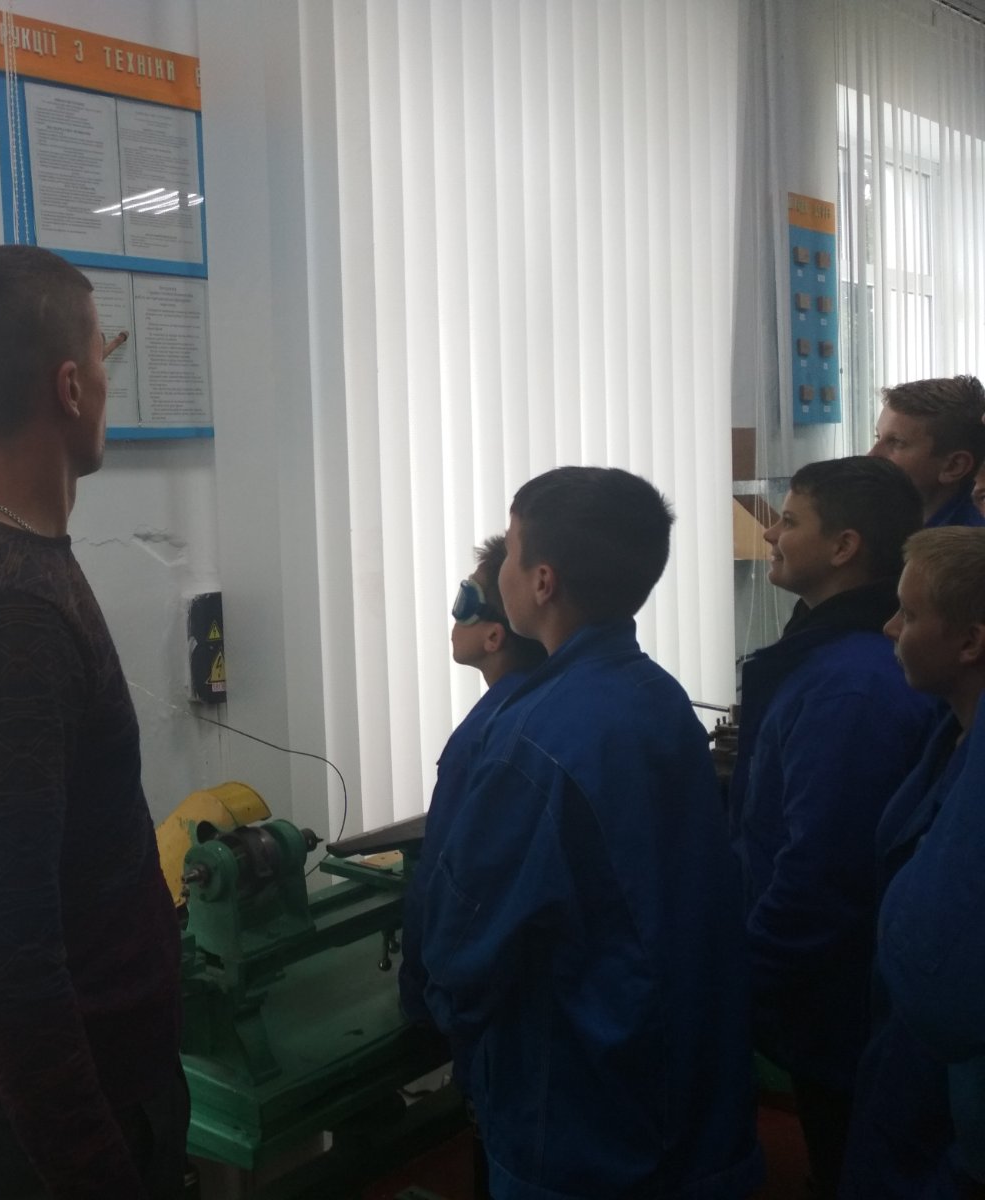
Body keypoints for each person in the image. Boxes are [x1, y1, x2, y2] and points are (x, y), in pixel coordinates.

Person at [0, 244, 183, 1199]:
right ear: (69, 387)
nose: (106, 377)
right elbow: (7, 963)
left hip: (86, 1078)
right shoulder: (10, 628)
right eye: (104, 355)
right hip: (75, 1111)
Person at [420, 467, 762, 1200]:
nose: (501, 570)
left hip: (576, 1103)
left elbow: (463, 944)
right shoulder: (655, 693)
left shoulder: (531, 746)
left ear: (541, 581)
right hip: (677, 1066)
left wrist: (459, 1035)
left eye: (511, 553)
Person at [729, 456, 933, 1195]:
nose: (771, 533)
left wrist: (746, 978)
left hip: (839, 1002)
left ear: (844, 546)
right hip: (826, 993)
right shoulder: (826, 651)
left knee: (849, 1155)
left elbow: (824, 872)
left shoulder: (851, 685)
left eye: (789, 520)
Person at [843, 528, 985, 1198]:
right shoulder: (951, 729)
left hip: (953, 1117)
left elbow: (946, 991)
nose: (890, 627)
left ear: (970, 642)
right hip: (910, 1074)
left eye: (909, 613)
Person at [399, 534, 547, 1025]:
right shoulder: (551, 704)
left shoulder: (479, 743)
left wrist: (418, 995)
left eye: (466, 601)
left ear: (494, 637)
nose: (453, 617)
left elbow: (443, 880)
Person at [869, 374, 985, 528]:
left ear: (954, 466)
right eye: (878, 437)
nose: (871, 455)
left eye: (897, 442)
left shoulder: (969, 540)